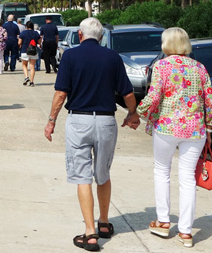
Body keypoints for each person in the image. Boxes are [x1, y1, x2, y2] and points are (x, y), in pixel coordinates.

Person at [43, 17, 139, 252]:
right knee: (103, 173)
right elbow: (127, 93)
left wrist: (51, 120)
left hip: (79, 121)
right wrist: (133, 114)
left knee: (82, 176)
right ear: (102, 36)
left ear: (79, 34)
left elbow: (61, 93)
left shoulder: (70, 57)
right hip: (106, 120)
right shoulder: (113, 57)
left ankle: (90, 233)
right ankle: (104, 223)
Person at [132, 27, 212, 248]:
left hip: (167, 127)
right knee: (188, 178)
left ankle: (163, 222)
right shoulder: (199, 67)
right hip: (194, 129)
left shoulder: (162, 66)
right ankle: (186, 232)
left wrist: (138, 112)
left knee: (162, 171)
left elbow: (153, 96)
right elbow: (210, 100)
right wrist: (209, 127)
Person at [18, 21, 41, 87]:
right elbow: (39, 42)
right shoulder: (36, 33)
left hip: (25, 50)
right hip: (33, 51)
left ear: (26, 26)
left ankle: (26, 77)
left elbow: (19, 43)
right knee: (32, 67)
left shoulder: (23, 33)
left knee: (24, 65)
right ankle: (31, 81)